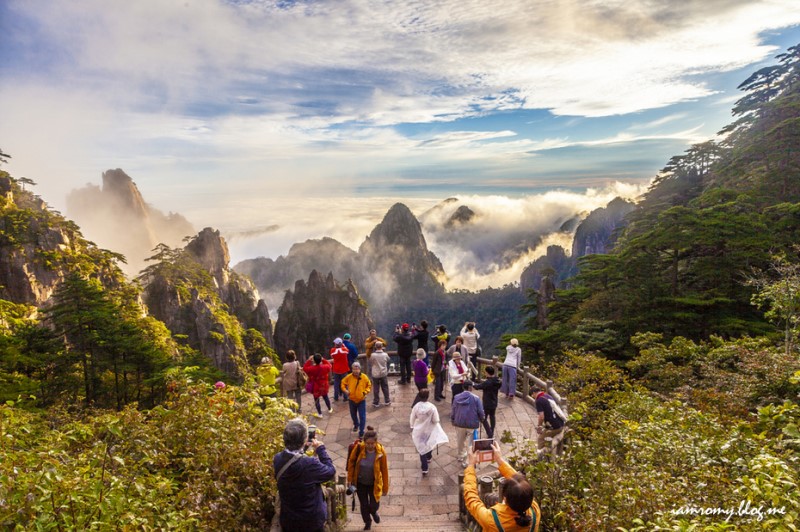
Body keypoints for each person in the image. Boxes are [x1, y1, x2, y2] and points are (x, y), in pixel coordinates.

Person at [273, 418, 337, 532]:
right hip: (311, 522)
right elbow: (330, 471)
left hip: (290, 520)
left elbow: (293, 462)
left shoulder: (277, 459)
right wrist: (320, 449)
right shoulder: (309, 464)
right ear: (304, 439)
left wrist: (303, 447)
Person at [464, 441, 541, 532]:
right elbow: (519, 482)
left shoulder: (491, 520)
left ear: (505, 498)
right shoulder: (535, 511)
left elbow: (471, 498)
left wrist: (471, 465)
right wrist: (499, 460)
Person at [346, 426, 389, 531]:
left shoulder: (381, 452)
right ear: (364, 442)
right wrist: (350, 479)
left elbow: (384, 470)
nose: (370, 446)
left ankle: (374, 512)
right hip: (360, 482)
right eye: (368, 443)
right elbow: (351, 463)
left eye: (372, 443)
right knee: (364, 505)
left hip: (374, 483)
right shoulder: (359, 448)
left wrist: (385, 488)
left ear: (376, 442)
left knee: (374, 505)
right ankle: (367, 522)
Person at [409, 389, 449, 476]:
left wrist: (412, 426)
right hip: (429, 429)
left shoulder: (416, 407)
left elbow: (412, 417)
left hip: (419, 429)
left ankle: (424, 468)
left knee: (421, 447)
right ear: (427, 397)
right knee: (429, 442)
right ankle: (428, 456)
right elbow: (436, 420)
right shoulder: (432, 407)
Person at [451, 380, 485, 468]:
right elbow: (480, 411)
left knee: (460, 440)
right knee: (470, 443)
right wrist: (482, 418)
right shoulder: (476, 398)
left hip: (459, 422)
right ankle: (467, 461)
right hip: (472, 424)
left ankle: (460, 456)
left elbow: (453, 409)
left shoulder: (456, 397)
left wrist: (453, 419)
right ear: (470, 388)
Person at [341, 362, 372, 438]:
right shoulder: (349, 377)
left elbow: (369, 385)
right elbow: (342, 383)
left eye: (357, 369)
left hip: (361, 400)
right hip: (352, 400)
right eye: (354, 369)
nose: (355, 370)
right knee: (353, 415)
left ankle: (361, 431)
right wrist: (345, 390)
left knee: (362, 416)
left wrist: (365, 392)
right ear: (352, 369)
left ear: (360, 369)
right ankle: (356, 424)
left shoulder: (364, 377)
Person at [534, 390, 567, 457]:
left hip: (554, 427)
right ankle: (553, 455)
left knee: (541, 439)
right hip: (560, 423)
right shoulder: (547, 396)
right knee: (549, 440)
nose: (533, 397)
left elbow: (541, 416)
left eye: (533, 395)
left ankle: (540, 457)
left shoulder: (539, 401)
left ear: (534, 393)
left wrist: (539, 426)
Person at [473, 366, 501, 438]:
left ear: (487, 373)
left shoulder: (488, 382)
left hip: (487, 402)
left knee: (483, 418)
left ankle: (489, 433)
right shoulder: (497, 381)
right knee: (492, 416)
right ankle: (492, 430)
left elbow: (478, 386)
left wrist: (472, 384)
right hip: (494, 401)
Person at [303, 353, 333, 418]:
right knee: (326, 397)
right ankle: (330, 409)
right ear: (320, 360)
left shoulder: (311, 368)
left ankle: (320, 413)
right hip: (323, 385)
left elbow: (305, 368)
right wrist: (323, 359)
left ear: (314, 360)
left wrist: (309, 360)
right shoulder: (325, 367)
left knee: (316, 400)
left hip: (316, 386)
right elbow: (329, 365)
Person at [369, 341, 391, 407]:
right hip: (383, 373)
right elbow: (388, 360)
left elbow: (370, 362)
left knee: (376, 388)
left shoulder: (373, 355)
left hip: (375, 373)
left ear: (375, 347)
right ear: (382, 347)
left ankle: (376, 402)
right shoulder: (385, 354)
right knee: (385, 387)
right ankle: (387, 400)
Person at [330, 337, 350, 402]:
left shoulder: (333, 350)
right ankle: (345, 397)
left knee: (336, 383)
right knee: (345, 384)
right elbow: (347, 351)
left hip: (336, 369)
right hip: (344, 369)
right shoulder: (344, 349)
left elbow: (332, 356)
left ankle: (336, 397)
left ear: (336, 344)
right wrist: (342, 345)